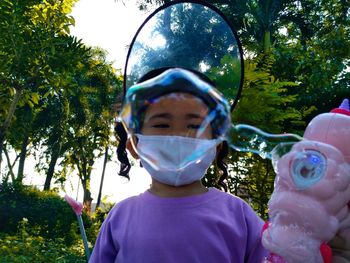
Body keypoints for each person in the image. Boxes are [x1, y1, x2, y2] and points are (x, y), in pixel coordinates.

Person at [89, 68, 268, 262]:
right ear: (134, 145)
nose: (178, 137)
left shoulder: (239, 216)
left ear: (216, 144)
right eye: (161, 125)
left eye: (194, 126)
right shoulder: (120, 217)